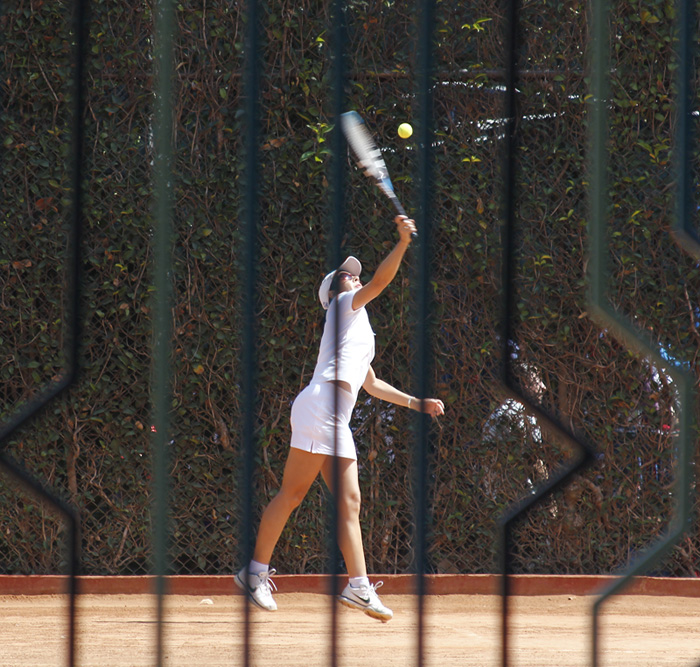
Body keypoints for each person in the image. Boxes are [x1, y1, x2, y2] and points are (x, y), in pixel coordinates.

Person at [235, 215, 445, 622]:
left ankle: (359, 587)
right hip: (322, 408)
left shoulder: (358, 331)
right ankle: (255, 573)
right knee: (292, 495)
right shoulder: (343, 307)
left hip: (331, 413)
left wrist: (415, 402)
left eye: (353, 276)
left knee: (350, 502)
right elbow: (381, 283)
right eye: (345, 277)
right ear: (332, 293)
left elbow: (372, 384)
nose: (352, 278)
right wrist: (402, 242)